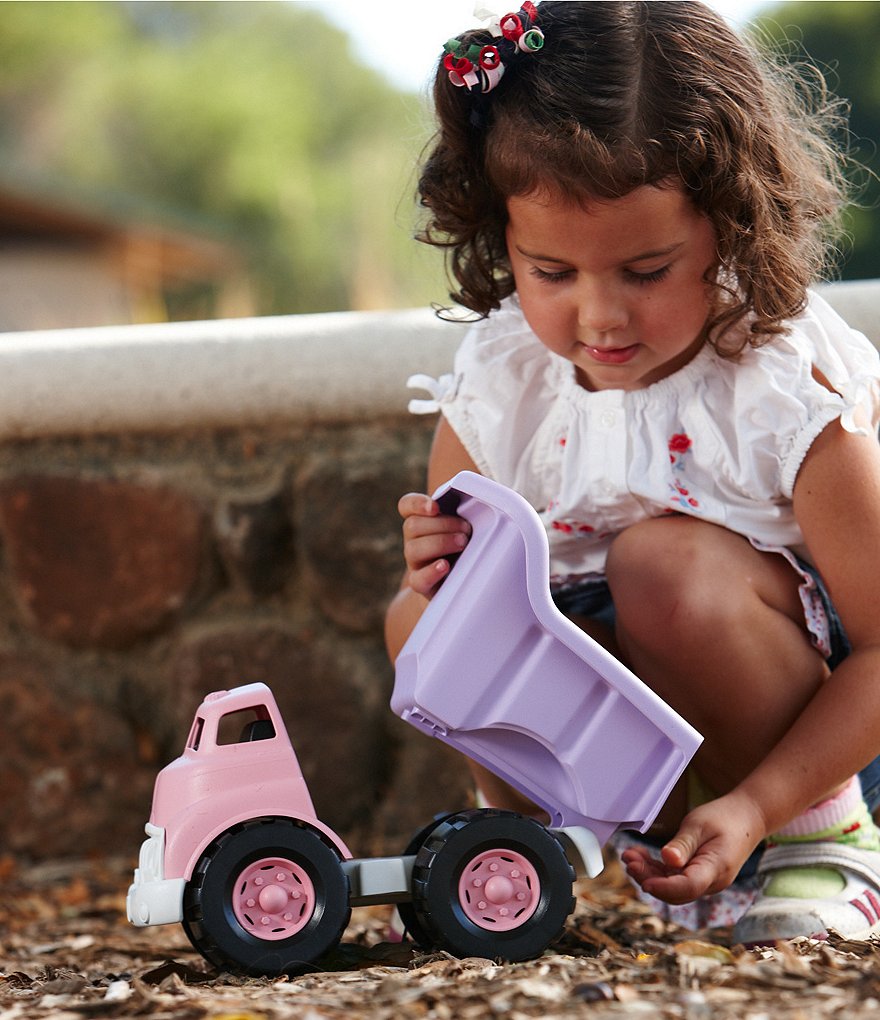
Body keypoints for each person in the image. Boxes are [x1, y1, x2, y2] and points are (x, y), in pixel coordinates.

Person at [384, 1, 880, 943]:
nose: (601, 318)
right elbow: (452, 601)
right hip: (611, 761)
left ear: (730, 226)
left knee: (661, 567)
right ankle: (523, 858)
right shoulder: (502, 381)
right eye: (551, 272)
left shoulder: (781, 386)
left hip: (790, 753)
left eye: (647, 271)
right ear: (501, 238)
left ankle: (825, 848)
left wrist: (760, 803)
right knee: (419, 618)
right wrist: (440, 567)